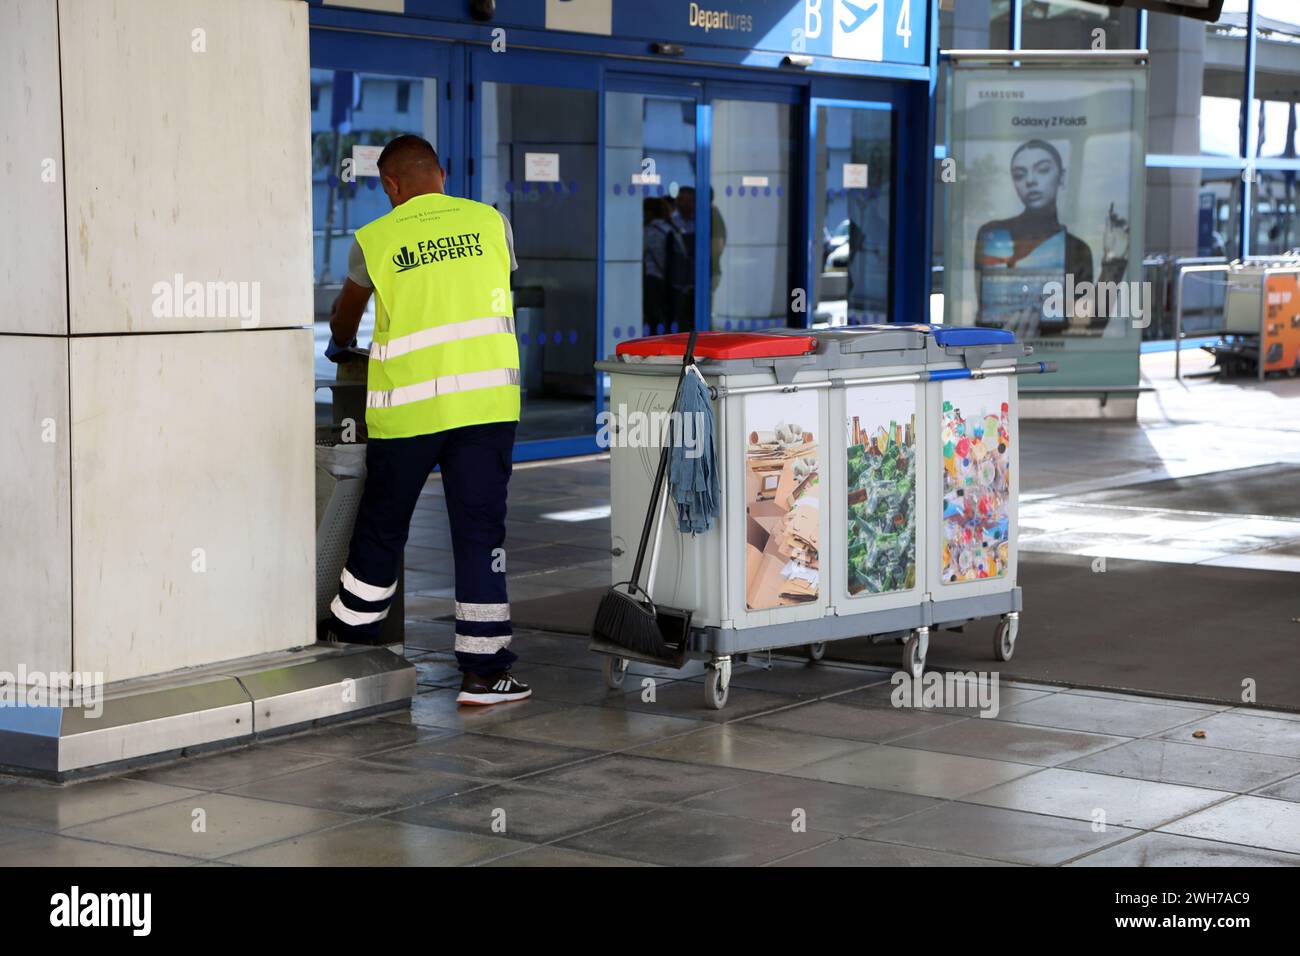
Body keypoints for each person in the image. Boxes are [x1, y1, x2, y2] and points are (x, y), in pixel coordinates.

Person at [324, 134, 531, 706]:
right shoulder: (492, 223)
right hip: (485, 410)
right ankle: (484, 673)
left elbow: (347, 316)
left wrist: (341, 345)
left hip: (408, 414)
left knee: (383, 527)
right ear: (440, 173)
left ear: (390, 185)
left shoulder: (376, 238)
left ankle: (353, 649)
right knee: (480, 534)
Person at [974, 139, 1125, 335]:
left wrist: (1115, 262)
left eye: (1042, 170)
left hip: (1056, 358)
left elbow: (1089, 324)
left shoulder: (1076, 249)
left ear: (1061, 177)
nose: (1030, 181)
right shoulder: (992, 236)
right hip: (995, 355)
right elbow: (986, 313)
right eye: (1020, 175)